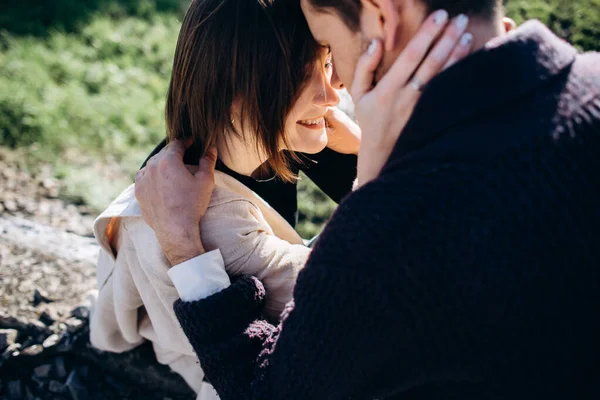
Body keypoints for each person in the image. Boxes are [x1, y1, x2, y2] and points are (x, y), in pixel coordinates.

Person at [135, 0, 600, 399]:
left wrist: (182, 245)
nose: (336, 84)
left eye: (328, 46)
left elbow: (267, 388)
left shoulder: (396, 233)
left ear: (381, 14)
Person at [89, 0, 362, 397]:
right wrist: (373, 145)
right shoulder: (213, 220)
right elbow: (357, 285)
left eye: (326, 64)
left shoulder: (262, 129)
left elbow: (382, 197)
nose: (333, 96)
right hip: (232, 362)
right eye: (304, 74)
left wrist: (356, 146)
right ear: (235, 90)